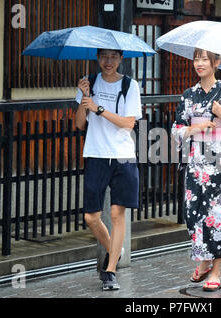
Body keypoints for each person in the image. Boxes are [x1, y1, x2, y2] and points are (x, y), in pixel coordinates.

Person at [172, 48, 221, 291]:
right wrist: (195, 129)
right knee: (193, 216)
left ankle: (215, 271)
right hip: (196, 165)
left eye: (204, 59)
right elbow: (176, 128)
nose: (199, 63)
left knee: (219, 218)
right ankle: (205, 261)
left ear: (216, 62)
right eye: (196, 58)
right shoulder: (188, 95)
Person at [75, 49, 142, 291]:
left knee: (116, 214)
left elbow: (128, 123)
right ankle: (116, 247)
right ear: (97, 58)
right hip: (95, 154)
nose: (108, 62)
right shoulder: (88, 83)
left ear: (121, 59)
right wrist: (84, 100)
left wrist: (99, 108)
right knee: (91, 217)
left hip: (123, 156)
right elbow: (79, 123)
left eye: (114, 57)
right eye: (104, 56)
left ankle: (111, 270)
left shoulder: (129, 85)